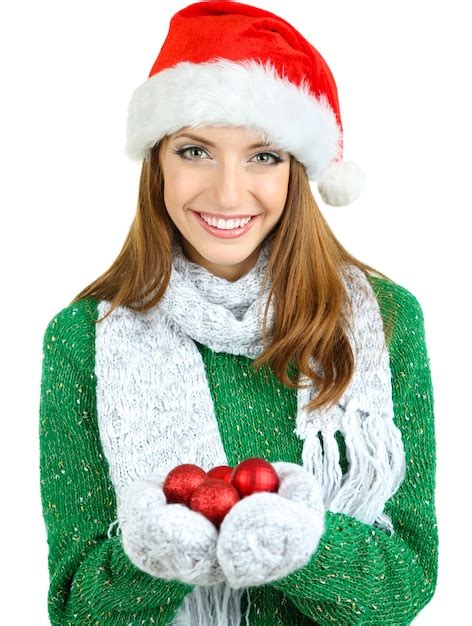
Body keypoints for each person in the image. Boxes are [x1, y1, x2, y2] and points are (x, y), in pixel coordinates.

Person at [38, 2, 438, 625]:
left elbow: (406, 584)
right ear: (157, 163)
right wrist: (161, 551)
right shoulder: (84, 338)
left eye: (264, 156)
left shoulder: (384, 321)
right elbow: (76, 611)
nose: (228, 193)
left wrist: (302, 539)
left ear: (299, 172)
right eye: (195, 151)